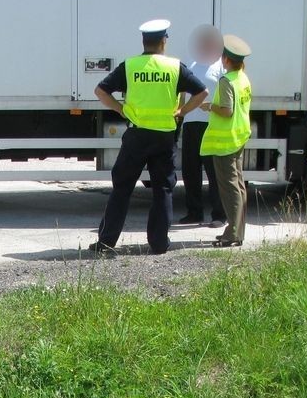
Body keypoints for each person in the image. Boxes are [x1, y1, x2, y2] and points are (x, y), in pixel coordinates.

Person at [90, 19, 209, 255]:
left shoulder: (131, 66)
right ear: (164, 41)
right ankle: (159, 244)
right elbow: (202, 92)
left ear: (144, 41)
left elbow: (100, 90)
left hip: (136, 135)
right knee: (162, 190)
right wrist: (181, 111)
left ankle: (106, 242)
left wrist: (119, 108)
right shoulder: (176, 67)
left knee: (122, 188)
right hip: (164, 136)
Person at [199, 35, 252, 248]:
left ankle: (232, 233)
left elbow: (227, 111)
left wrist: (210, 106)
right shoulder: (243, 78)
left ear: (226, 59)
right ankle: (239, 231)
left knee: (229, 189)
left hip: (226, 142)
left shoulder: (226, 81)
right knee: (239, 186)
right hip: (239, 137)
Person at [178, 25, 226, 227]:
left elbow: (226, 97)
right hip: (191, 124)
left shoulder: (220, 67)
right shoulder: (191, 64)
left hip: (210, 125)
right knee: (190, 171)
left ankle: (219, 215)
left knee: (214, 173)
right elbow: (182, 92)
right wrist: (181, 112)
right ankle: (194, 212)